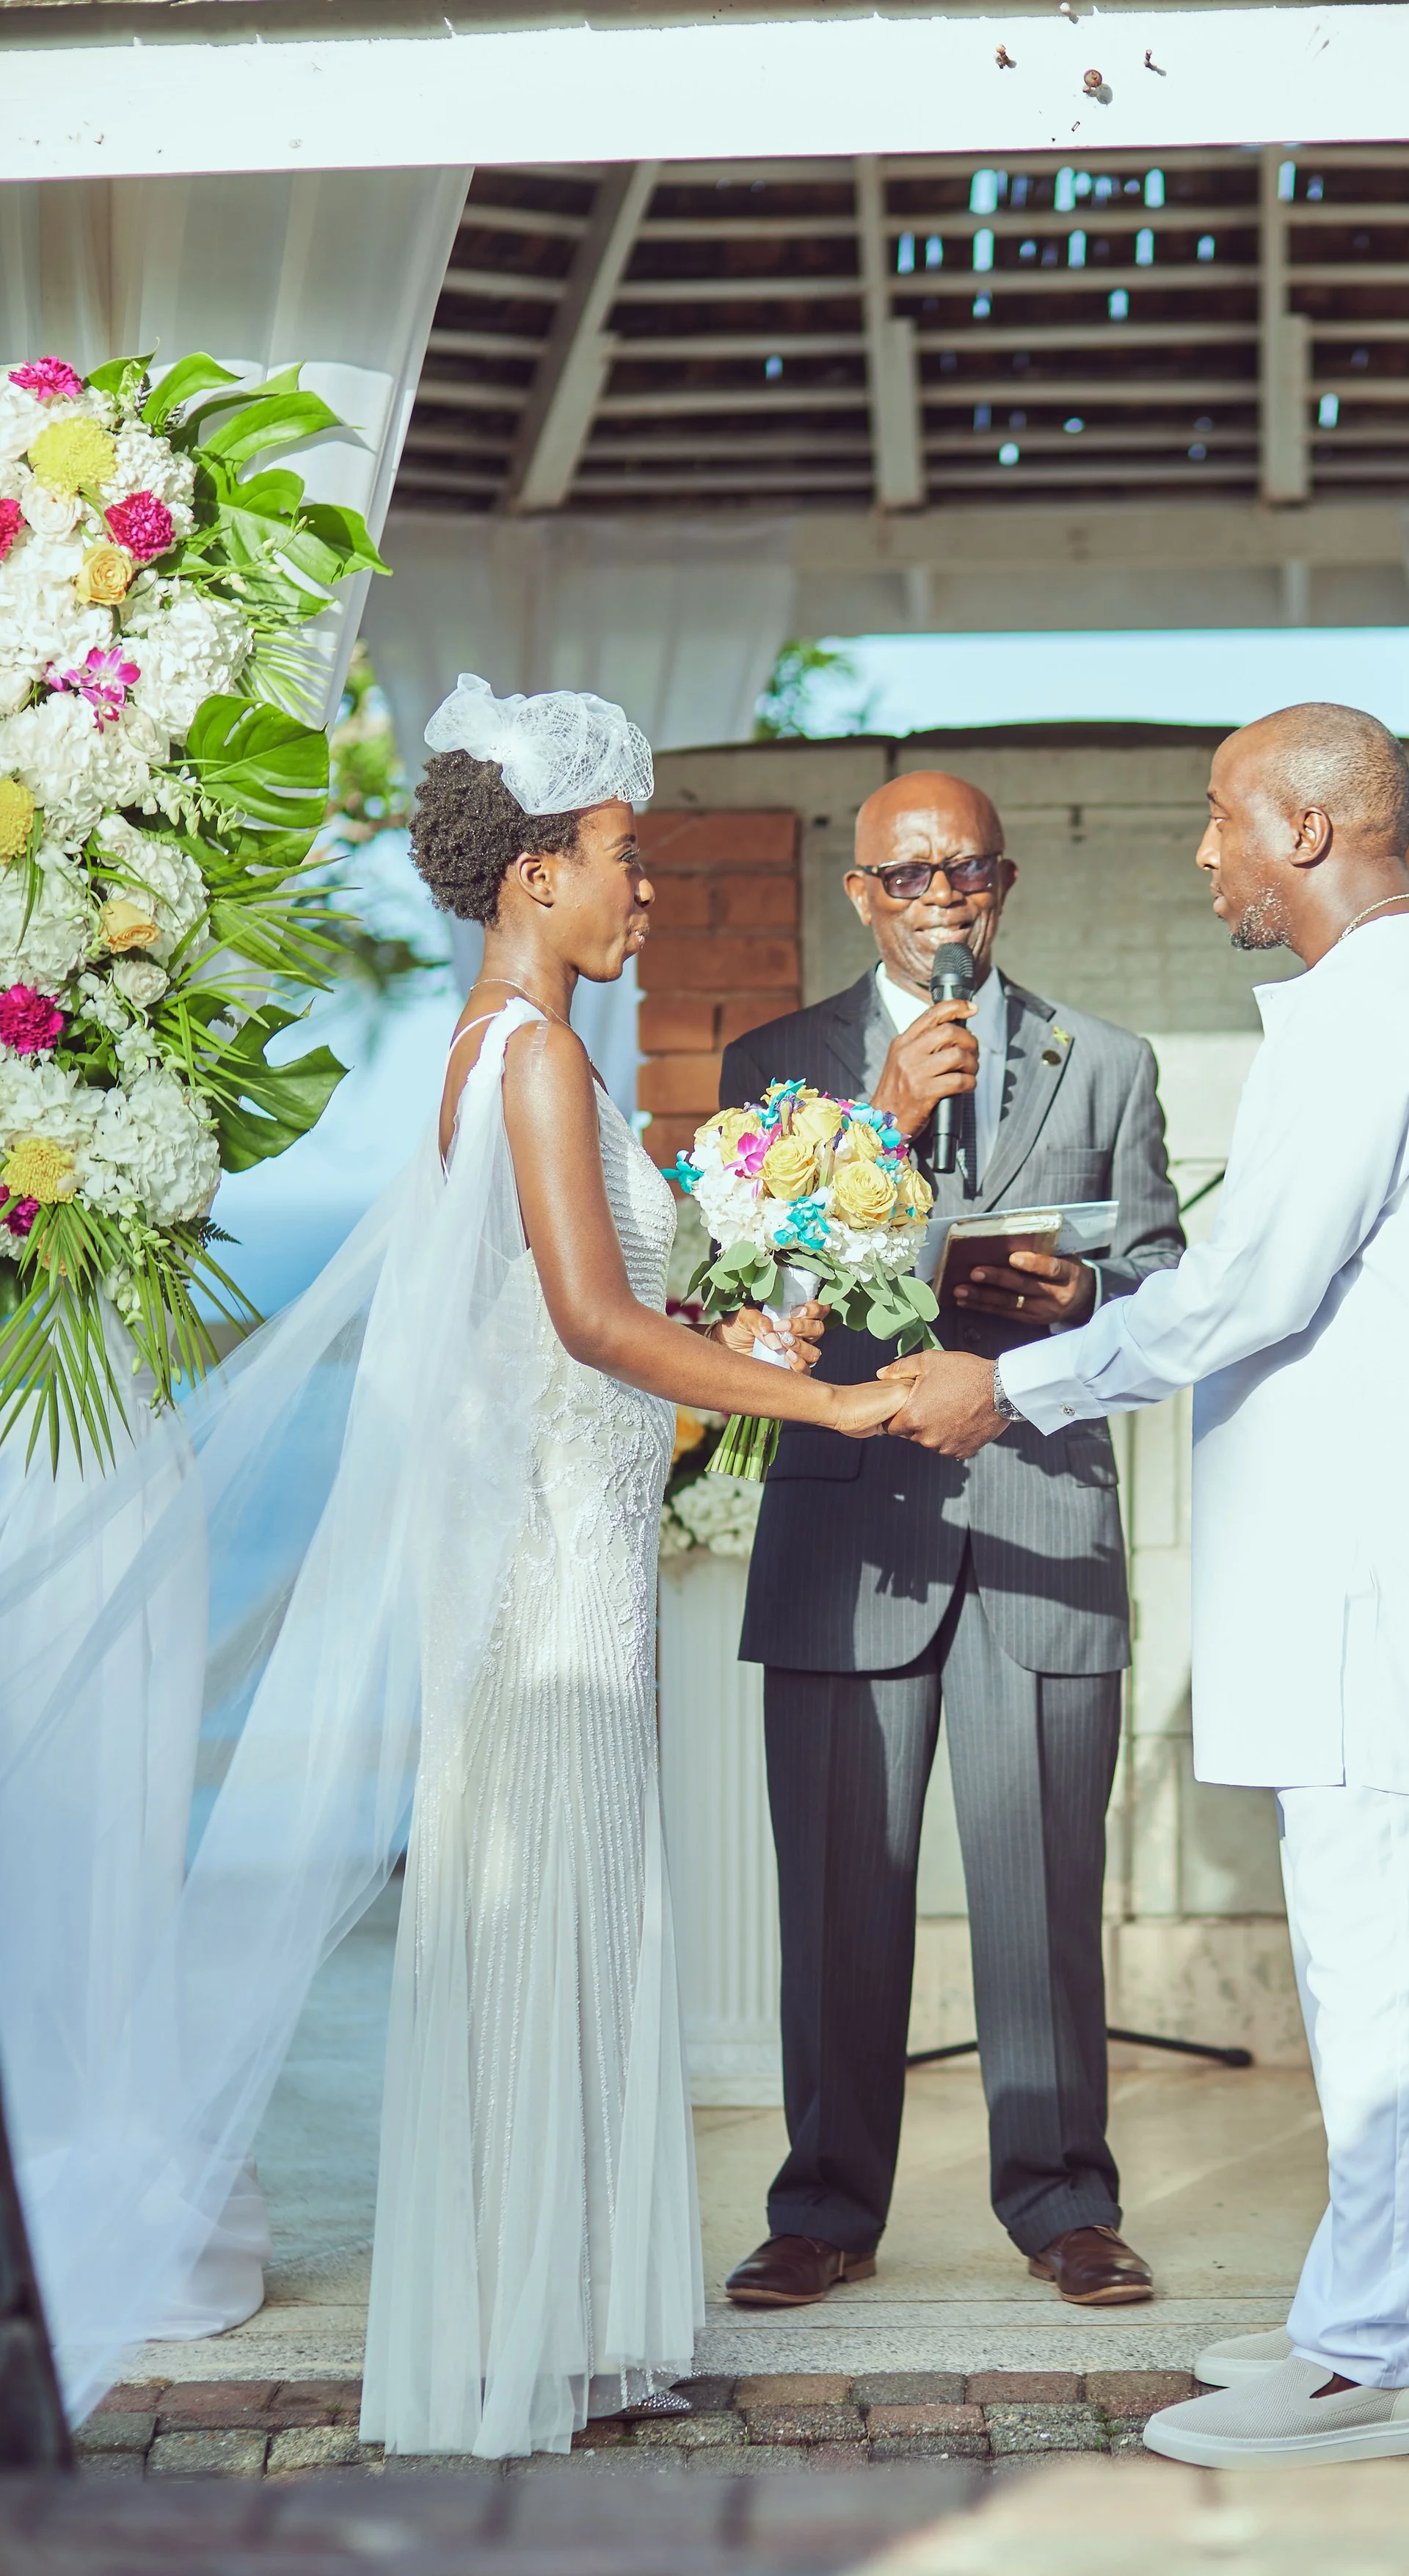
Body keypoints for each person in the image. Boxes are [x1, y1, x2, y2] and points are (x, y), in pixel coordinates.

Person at [0, 677, 909, 2456]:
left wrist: (742, 1333)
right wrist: (836, 1411)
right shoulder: (541, 1056)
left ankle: (541, 2323)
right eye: (620, 860)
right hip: (553, 1572)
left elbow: (589, 1321)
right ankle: (525, 2337)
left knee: (547, 1921)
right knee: (544, 1917)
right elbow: (586, 1322)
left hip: (564, 1549)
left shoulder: (489, 1052)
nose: (641, 892)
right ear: (530, 877)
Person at [882, 706, 1409, 2468]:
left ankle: (1361, 2371)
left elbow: (1246, 1286)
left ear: (1313, 831)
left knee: (1384, 1971)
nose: (1202, 853)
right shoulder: (1400, 994)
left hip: (1380, 1587)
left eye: (1220, 821)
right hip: (1376, 1580)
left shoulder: (1382, 1004)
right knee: (1386, 1962)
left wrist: (1005, 1382)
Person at [717, 769, 1183, 2312]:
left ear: (1001, 886)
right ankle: (824, 2209)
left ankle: (1062, 2204)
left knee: (1043, 1894)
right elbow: (745, 1289)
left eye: (966, 873)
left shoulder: (1106, 1067)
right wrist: (882, 1120)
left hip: (1039, 1525)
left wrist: (1087, 1302)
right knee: (839, 1898)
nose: (941, 902)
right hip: (848, 1544)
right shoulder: (776, 1065)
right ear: (857, 893)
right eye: (908, 877)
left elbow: (1164, 1286)